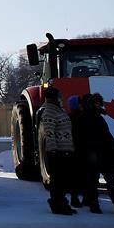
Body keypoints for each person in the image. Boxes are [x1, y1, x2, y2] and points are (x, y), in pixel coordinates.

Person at [82, 93, 114, 214]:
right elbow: (106, 134)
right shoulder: (98, 117)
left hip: (94, 150)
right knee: (110, 180)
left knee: (93, 180)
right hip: (104, 150)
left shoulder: (85, 116)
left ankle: (94, 204)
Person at [37, 86, 76, 215]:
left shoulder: (59, 110)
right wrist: (53, 150)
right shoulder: (49, 112)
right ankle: (57, 204)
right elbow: (49, 133)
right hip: (58, 152)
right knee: (58, 181)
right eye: (58, 96)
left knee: (64, 180)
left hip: (65, 149)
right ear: (53, 98)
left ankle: (62, 202)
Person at [65, 94, 87, 209]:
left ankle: (75, 198)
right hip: (80, 149)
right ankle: (83, 198)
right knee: (83, 175)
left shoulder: (68, 117)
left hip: (73, 149)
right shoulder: (82, 117)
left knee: (75, 175)